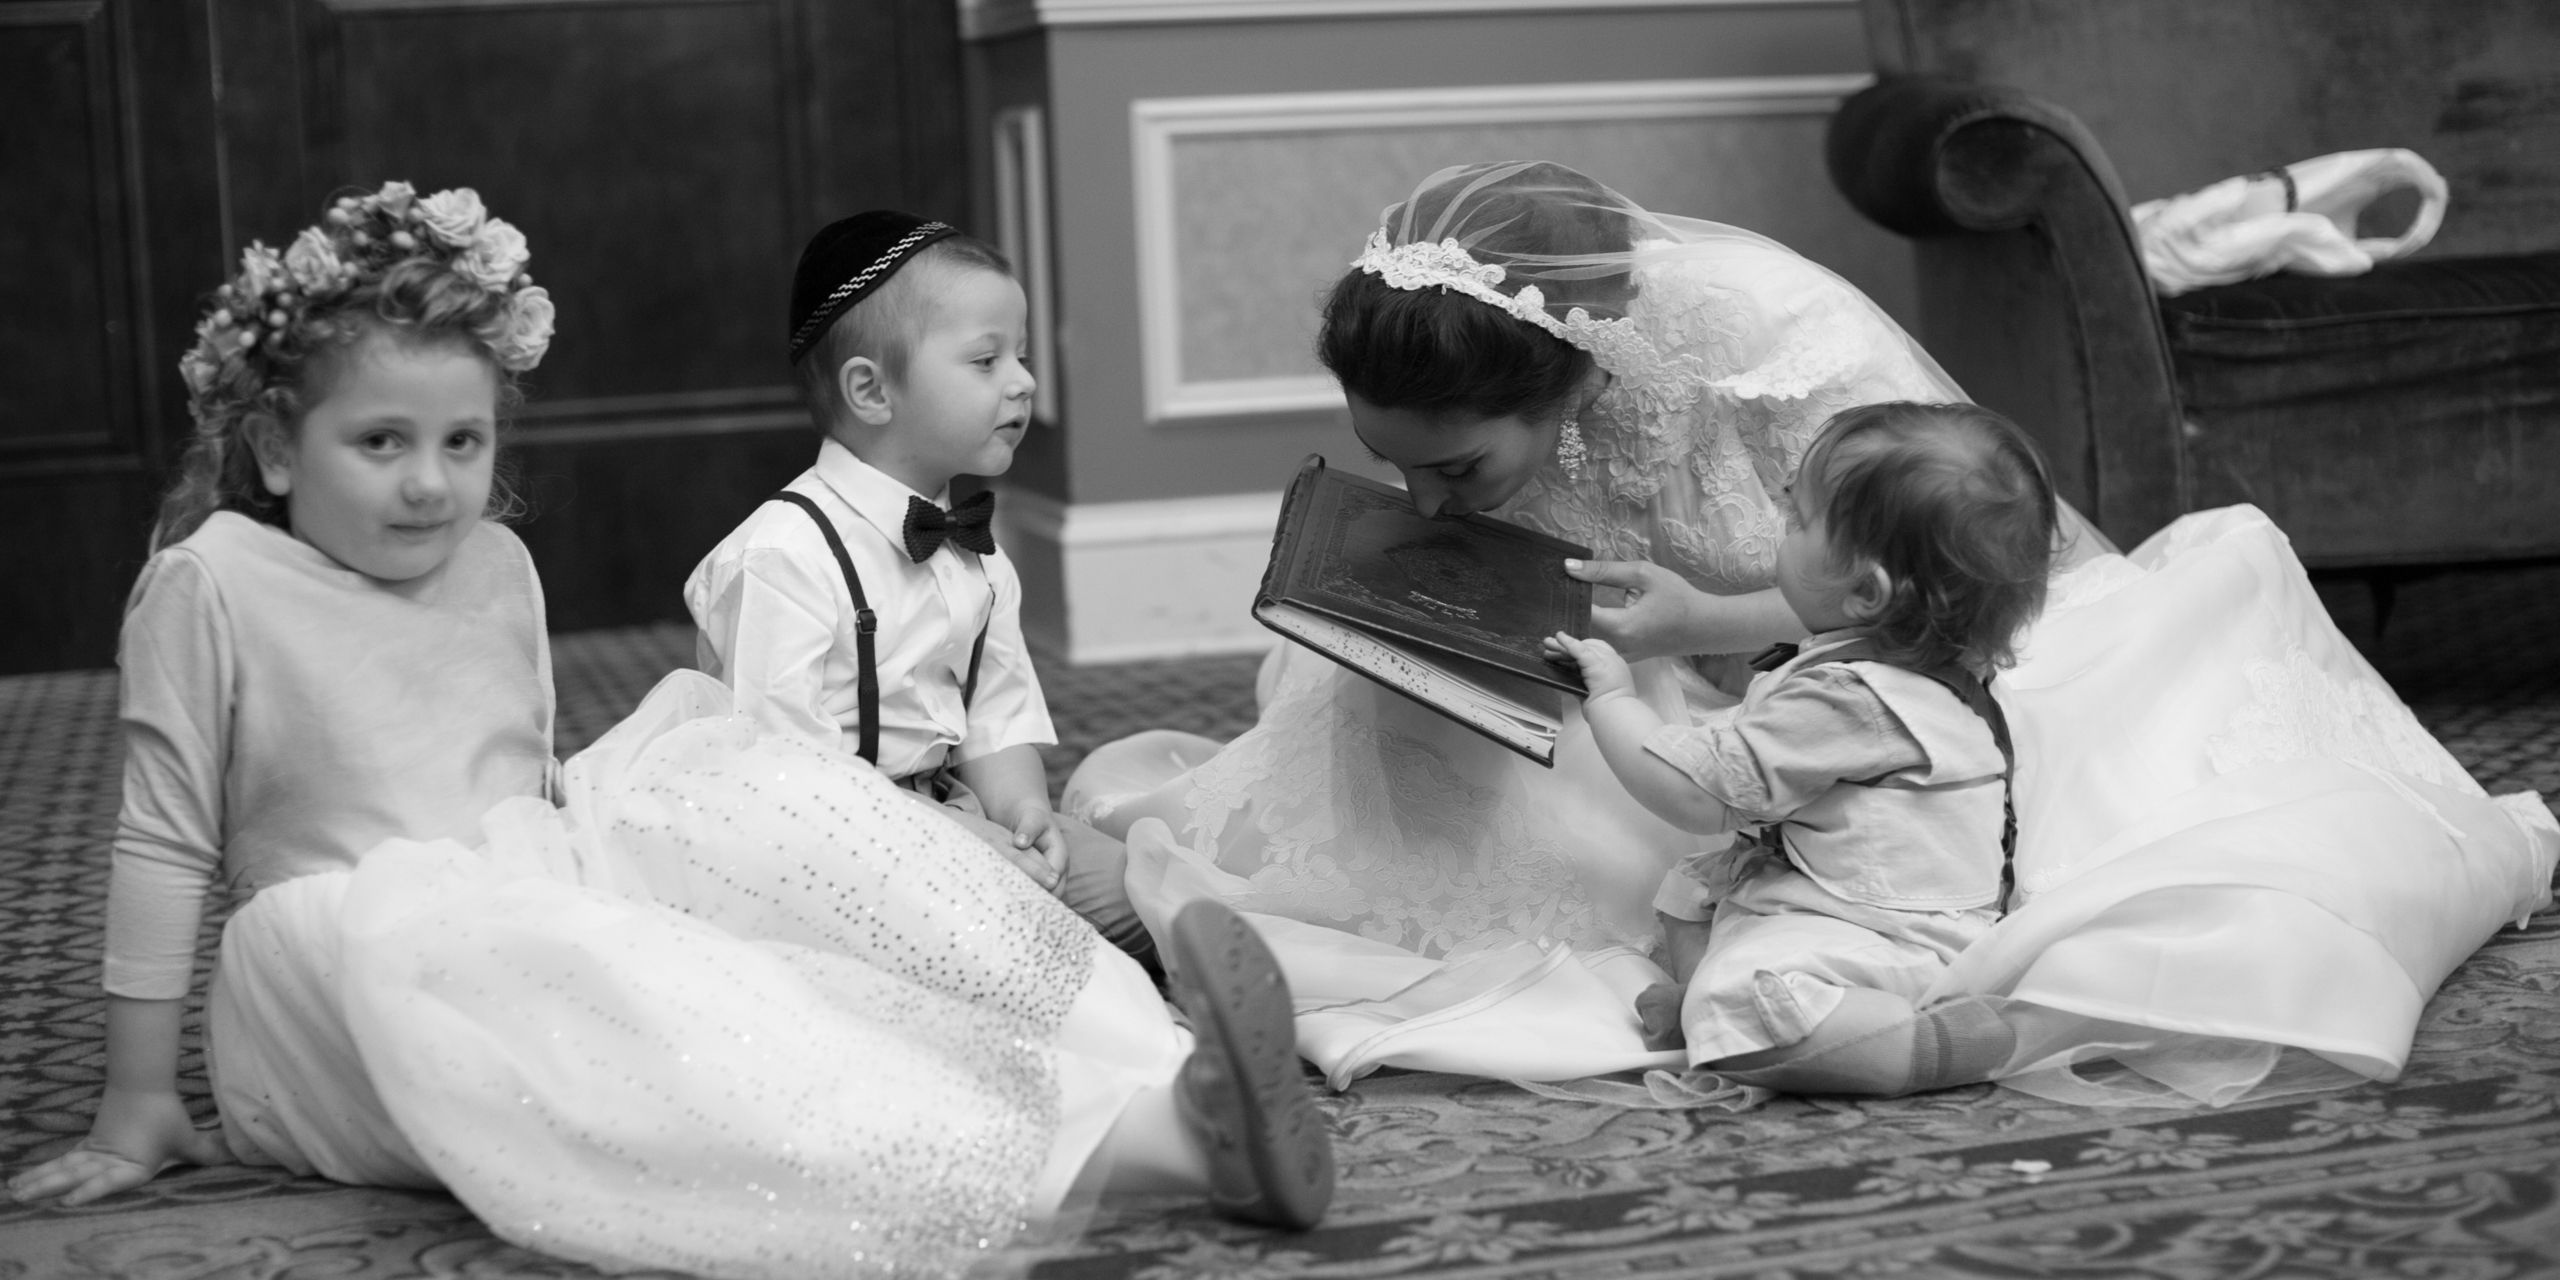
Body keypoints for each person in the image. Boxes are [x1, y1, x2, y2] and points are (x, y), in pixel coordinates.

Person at [7, 183, 1333, 1277]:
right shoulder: (217, 581)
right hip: (334, 947)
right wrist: (139, 1098)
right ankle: (1155, 1147)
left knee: (744, 866)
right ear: (279, 449)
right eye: (381, 442)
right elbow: (162, 841)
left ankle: (1139, 1067)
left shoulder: (493, 565)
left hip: (515, 871)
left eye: (464, 440)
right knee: (646, 1033)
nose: (432, 482)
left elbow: (518, 778)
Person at [1069, 160, 2557, 1106]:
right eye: (1391, 458)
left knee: (1611, 827)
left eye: (1450, 466)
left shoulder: (1787, 350)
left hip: (1857, 674)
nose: (1420, 491)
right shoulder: (1496, 367)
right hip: (1672, 676)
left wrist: (1709, 621)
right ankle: (1256, 906)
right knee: (1355, 703)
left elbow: (1908, 587)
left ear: (1574, 384)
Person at [687, 210, 1156, 974]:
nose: (1025, 381)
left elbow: (995, 713)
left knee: (1140, 882)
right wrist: (947, 843)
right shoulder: (782, 557)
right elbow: (778, 778)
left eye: (1022, 355)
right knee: (1007, 960)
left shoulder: (973, 551)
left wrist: (1019, 811)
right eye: (986, 361)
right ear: (872, 391)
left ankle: (1220, 972)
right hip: (821, 852)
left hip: (952, 818)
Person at [1549, 401, 2054, 1097]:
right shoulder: (1916, 668)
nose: (1780, 530)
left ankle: (1920, 1046)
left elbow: (1699, 794)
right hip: (1856, 896)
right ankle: (1717, 1007)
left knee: (1743, 996)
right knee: (1690, 894)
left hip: (1894, 936)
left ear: (1867, 591)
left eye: (1799, 522)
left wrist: (1611, 700)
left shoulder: (1852, 702)